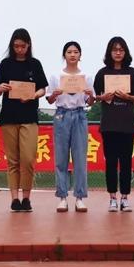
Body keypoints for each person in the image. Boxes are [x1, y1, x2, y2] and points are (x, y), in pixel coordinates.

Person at [0, 28, 48, 212]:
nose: (19, 49)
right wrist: (0, 88)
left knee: (28, 158)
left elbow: (43, 89)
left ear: (28, 45)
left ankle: (27, 197)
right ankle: (15, 199)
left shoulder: (35, 64)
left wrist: (33, 95)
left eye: (22, 46)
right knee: (13, 160)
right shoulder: (5, 64)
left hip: (29, 117)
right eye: (16, 46)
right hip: (9, 117)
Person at [93, 36, 134, 212]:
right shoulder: (102, 73)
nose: (118, 53)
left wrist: (128, 97)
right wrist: (102, 97)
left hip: (127, 124)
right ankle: (112, 198)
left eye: (121, 50)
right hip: (109, 124)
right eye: (115, 50)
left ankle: (125, 198)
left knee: (126, 162)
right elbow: (94, 96)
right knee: (111, 162)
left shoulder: (132, 73)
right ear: (109, 52)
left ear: (125, 52)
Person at [46, 41, 95, 212]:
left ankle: (80, 197)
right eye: (69, 52)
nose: (72, 55)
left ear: (80, 55)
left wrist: (90, 95)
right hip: (62, 114)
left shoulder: (86, 77)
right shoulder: (56, 76)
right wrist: (55, 94)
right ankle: (62, 197)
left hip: (80, 115)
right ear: (64, 55)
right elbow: (49, 100)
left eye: (76, 52)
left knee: (80, 158)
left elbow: (90, 102)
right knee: (61, 158)